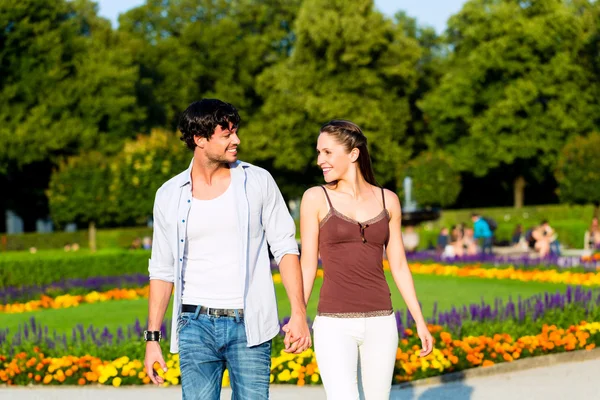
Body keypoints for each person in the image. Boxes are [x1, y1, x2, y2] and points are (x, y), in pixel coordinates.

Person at [144, 99, 310, 400]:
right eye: (227, 134)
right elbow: (162, 269)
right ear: (200, 139)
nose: (237, 140)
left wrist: (299, 313)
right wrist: (152, 338)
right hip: (194, 324)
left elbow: (285, 248)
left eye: (236, 131)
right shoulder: (169, 195)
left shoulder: (258, 181)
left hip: (249, 324)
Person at [300, 120, 433, 400]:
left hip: (381, 322)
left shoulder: (389, 200)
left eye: (327, 152)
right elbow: (308, 264)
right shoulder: (316, 198)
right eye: (318, 152)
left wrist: (419, 321)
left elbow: (398, 264)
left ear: (353, 154)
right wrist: (299, 317)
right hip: (333, 324)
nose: (319, 160)